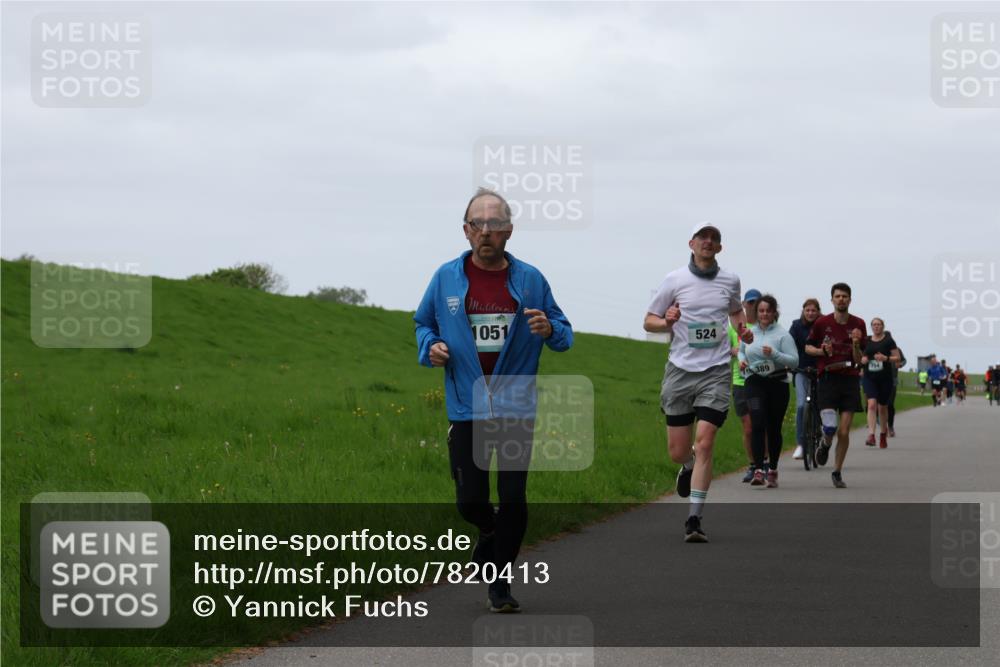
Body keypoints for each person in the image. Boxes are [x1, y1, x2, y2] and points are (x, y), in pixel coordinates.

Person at [414, 187, 573, 613]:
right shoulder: (446, 278)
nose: (486, 231)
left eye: (495, 223)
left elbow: (564, 333)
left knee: (514, 497)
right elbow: (423, 323)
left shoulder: (531, 280)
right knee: (470, 501)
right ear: (466, 230)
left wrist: (549, 329)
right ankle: (488, 530)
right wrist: (430, 346)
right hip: (466, 404)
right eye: (478, 223)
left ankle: (500, 583)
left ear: (509, 231)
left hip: (515, 406)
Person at [645, 221, 752, 542]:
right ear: (691, 244)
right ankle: (687, 464)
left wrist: (742, 330)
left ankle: (694, 519)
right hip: (680, 370)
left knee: (705, 442)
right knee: (678, 451)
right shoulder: (674, 280)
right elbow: (649, 321)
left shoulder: (730, 280)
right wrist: (667, 321)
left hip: (716, 371)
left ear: (720, 248)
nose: (708, 241)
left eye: (714, 238)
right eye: (702, 237)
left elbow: (736, 312)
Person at [805, 283, 866, 489]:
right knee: (830, 427)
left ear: (850, 300)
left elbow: (859, 359)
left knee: (844, 431)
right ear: (832, 300)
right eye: (838, 296)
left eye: (845, 296)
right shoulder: (822, 323)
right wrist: (821, 351)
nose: (841, 299)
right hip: (828, 378)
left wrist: (856, 344)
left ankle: (837, 471)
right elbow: (808, 347)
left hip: (850, 379)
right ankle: (825, 443)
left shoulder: (858, 324)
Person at [738, 295, 798, 488]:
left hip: (777, 383)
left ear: (774, 313)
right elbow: (742, 350)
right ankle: (758, 469)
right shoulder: (750, 333)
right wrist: (742, 360)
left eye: (768, 311)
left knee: (773, 428)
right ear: (756, 313)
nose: (764, 314)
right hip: (754, 381)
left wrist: (774, 354)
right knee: (757, 422)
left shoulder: (782, 335)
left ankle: (772, 469)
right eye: (761, 311)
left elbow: (794, 361)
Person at [730, 289, 761, 483]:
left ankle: (765, 463)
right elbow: (721, 348)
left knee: (761, 425)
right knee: (748, 428)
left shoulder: (765, 326)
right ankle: (753, 464)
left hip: (761, 380)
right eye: (750, 302)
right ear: (743, 304)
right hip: (740, 381)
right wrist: (733, 351)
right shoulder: (734, 327)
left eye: (756, 302)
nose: (753, 306)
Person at [788, 298, 822, 460]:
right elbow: (789, 345)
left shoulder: (823, 325)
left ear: (818, 311)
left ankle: (819, 432)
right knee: (802, 405)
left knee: (819, 404)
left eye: (813, 310)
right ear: (803, 311)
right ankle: (801, 444)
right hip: (801, 370)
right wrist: (788, 362)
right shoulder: (796, 326)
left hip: (820, 370)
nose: (810, 313)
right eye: (807, 310)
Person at [861, 318, 900, 449]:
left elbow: (897, 358)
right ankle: (871, 435)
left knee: (882, 408)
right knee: (871, 404)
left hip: (885, 378)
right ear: (871, 327)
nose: (876, 327)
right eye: (874, 325)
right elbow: (861, 355)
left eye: (878, 324)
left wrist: (885, 358)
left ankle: (883, 434)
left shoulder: (888, 341)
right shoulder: (867, 340)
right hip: (869, 377)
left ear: (883, 326)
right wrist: (863, 359)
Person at [886, 342, 906, 437]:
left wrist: (900, 364)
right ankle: (882, 426)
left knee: (890, 404)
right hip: (878, 379)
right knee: (879, 405)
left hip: (893, 380)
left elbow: (904, 360)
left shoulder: (897, 350)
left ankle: (890, 426)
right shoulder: (878, 348)